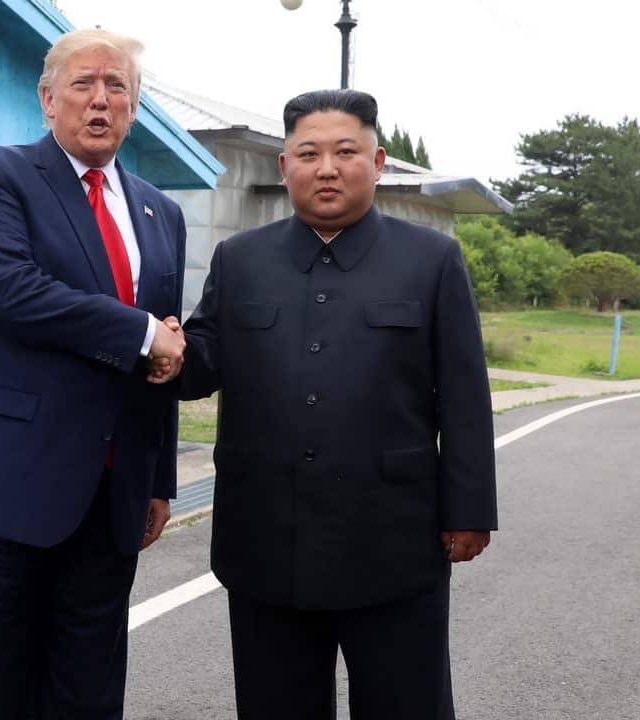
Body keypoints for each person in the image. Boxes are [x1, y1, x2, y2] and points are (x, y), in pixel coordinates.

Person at [172, 89, 497, 720]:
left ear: (377, 163)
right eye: (309, 153)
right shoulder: (240, 260)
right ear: (283, 166)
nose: (327, 167)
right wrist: (158, 348)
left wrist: (470, 510)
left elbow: (463, 395)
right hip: (266, 538)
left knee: (407, 705)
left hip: (394, 542)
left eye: (346, 152)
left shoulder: (431, 260)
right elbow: (203, 361)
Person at [0, 28, 188, 719]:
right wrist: (137, 331)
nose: (100, 100)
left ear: (134, 106)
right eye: (83, 84)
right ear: (47, 100)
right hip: (9, 470)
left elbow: (164, 354)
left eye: (117, 86)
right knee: (2, 675)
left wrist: (158, 478)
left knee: (92, 678)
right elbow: (8, 291)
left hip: (115, 483)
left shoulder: (163, 212)